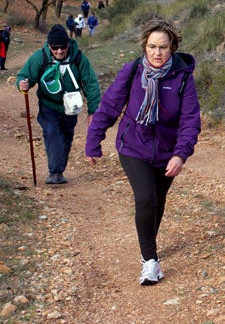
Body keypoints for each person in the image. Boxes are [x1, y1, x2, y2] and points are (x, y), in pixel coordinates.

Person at [86, 17, 201, 286]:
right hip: (133, 146)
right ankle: (150, 261)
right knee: (146, 198)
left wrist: (180, 154)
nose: (157, 53)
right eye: (152, 46)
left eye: (163, 47)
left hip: (167, 152)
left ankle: (148, 244)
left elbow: (190, 121)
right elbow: (109, 107)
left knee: (158, 200)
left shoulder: (183, 78)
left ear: (172, 47)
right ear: (144, 47)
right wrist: (93, 142)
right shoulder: (133, 71)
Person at [16, 24, 101, 184]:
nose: (60, 51)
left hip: (71, 107)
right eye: (55, 48)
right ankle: (55, 173)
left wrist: (93, 110)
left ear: (68, 44)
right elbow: (24, 76)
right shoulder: (40, 57)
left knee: (66, 136)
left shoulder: (78, 58)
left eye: (63, 47)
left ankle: (59, 170)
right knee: (52, 132)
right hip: (48, 105)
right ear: (49, 46)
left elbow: (91, 83)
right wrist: (22, 84)